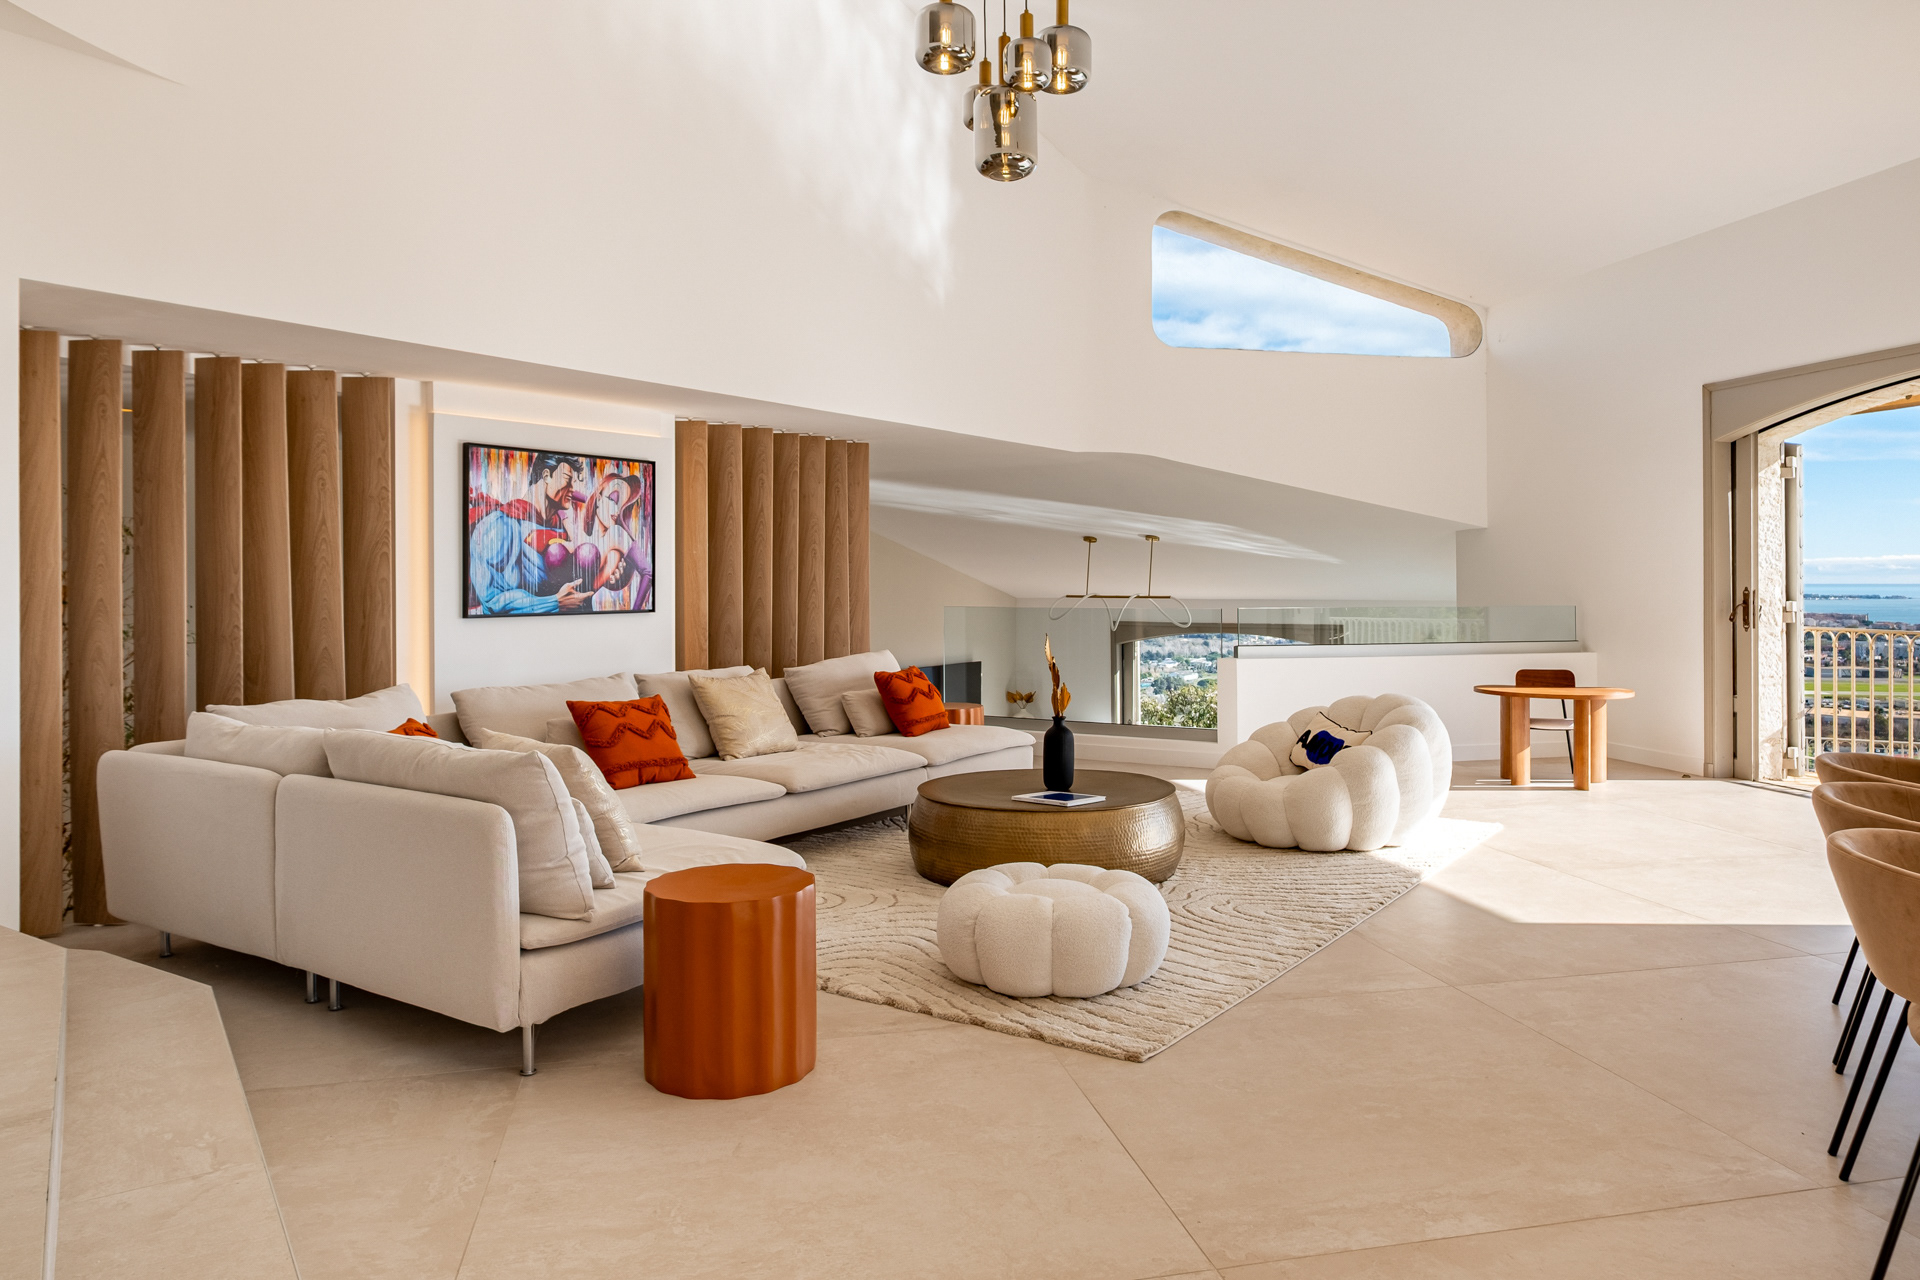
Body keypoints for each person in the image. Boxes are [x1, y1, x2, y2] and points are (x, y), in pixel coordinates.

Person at [466, 451, 592, 615]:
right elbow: (493, 600)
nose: (572, 490)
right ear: (546, 476)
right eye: (568, 479)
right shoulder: (501, 525)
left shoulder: (562, 530)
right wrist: (554, 602)